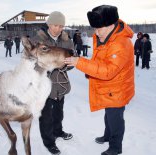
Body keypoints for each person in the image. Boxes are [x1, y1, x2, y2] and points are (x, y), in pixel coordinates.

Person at [64, 5, 135, 155]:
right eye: (94, 29)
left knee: (115, 119)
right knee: (108, 115)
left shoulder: (121, 43)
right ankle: (107, 136)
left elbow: (109, 70)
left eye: (99, 29)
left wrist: (80, 63)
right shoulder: (103, 37)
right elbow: (100, 61)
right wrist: (90, 71)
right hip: (109, 88)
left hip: (117, 89)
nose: (95, 33)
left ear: (110, 25)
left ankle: (116, 147)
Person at [32, 11, 74, 155]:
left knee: (58, 112)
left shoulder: (66, 39)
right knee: (45, 116)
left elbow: (72, 56)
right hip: (43, 84)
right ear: (49, 24)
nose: (59, 28)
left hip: (60, 83)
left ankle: (58, 131)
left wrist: (69, 64)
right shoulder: (38, 40)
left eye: (61, 26)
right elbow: (30, 61)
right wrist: (49, 64)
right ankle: (49, 142)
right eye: (56, 25)